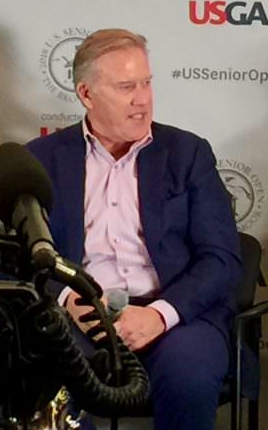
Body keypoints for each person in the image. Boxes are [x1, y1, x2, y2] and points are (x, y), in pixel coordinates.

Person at [26, 28, 241, 430]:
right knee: (48, 374)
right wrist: (68, 300)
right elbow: (19, 262)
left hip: (176, 315)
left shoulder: (188, 153)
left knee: (188, 375)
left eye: (146, 83)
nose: (142, 99)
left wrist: (161, 314)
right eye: (126, 86)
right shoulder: (40, 160)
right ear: (86, 94)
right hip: (78, 319)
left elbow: (222, 258)